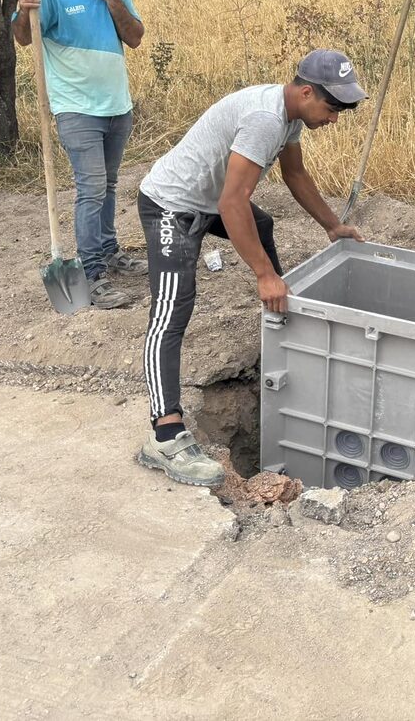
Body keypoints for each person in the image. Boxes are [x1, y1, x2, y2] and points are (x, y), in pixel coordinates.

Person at [134, 49, 367, 486]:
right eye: (332, 107)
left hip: (207, 201)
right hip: (172, 205)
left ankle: (282, 321)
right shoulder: (265, 119)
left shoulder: (290, 115)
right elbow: (231, 201)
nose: (335, 119)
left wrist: (333, 225)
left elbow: (295, 176)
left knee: (261, 224)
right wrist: (264, 274)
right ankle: (165, 435)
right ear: (305, 91)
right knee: (172, 310)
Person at [14, 0, 147, 310]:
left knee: (107, 186)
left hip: (116, 104)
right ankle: (91, 274)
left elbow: (135, 37)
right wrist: (23, 9)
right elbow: (23, 38)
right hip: (76, 107)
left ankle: (108, 252)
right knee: (90, 189)